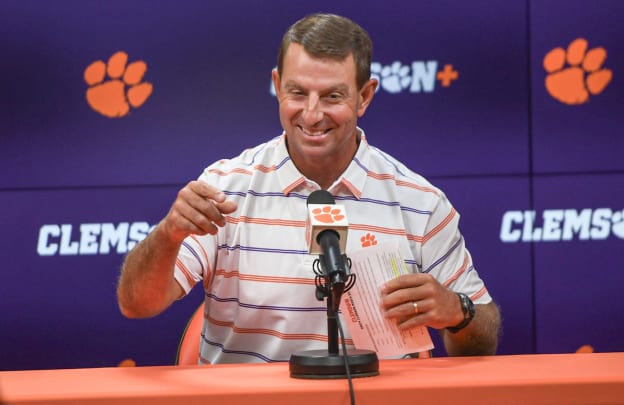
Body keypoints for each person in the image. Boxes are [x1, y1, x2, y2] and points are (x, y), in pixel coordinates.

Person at [117, 13, 500, 364]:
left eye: (333, 96)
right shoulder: (225, 187)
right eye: (297, 93)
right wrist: (169, 234)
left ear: (364, 96)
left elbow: (481, 343)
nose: (312, 115)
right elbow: (137, 305)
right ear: (276, 86)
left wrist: (457, 310)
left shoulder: (419, 203)